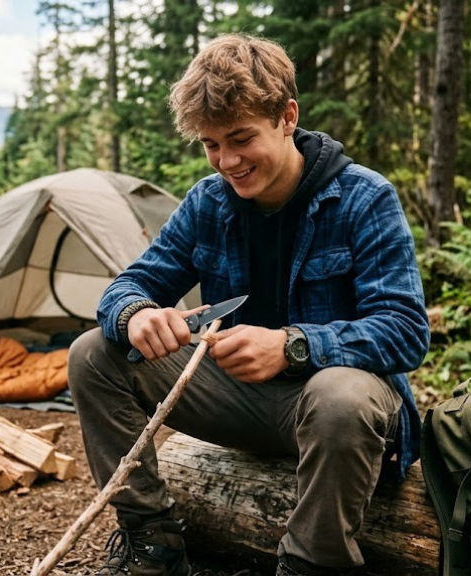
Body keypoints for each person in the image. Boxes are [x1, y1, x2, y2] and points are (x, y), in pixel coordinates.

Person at [68, 35, 429, 576]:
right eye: (211, 144)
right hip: (245, 403)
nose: (227, 161)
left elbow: (404, 331)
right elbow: (131, 285)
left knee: (339, 395)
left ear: (287, 117)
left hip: (336, 410)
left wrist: (292, 346)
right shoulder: (207, 203)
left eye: (241, 138)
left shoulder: (364, 198)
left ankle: (312, 565)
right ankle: (154, 545)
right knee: (94, 353)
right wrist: (137, 314)